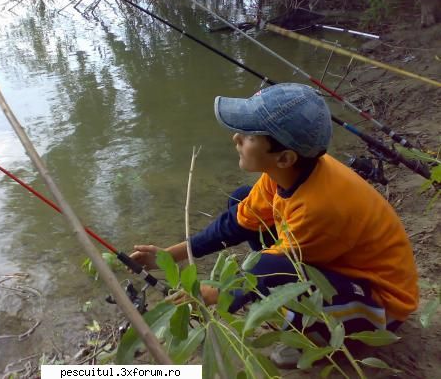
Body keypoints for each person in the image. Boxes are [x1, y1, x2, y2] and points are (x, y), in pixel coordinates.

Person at [130, 83, 419, 368]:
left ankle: (320, 340)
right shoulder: (286, 173)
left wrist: (217, 293)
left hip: (382, 306)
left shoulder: (320, 208)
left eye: (249, 135)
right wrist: (170, 256)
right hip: (337, 266)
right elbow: (236, 223)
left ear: (284, 157)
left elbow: (271, 269)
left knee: (267, 273)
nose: (236, 139)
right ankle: (302, 320)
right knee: (241, 200)